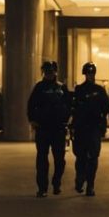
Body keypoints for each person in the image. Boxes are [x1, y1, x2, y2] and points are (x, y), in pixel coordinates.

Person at [27, 60, 71, 197]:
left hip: (58, 128)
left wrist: (67, 120)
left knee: (60, 159)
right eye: (46, 72)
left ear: (55, 72)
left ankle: (56, 182)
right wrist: (33, 120)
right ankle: (42, 188)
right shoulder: (39, 88)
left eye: (51, 71)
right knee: (42, 159)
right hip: (43, 128)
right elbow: (31, 105)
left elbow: (69, 105)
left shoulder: (61, 88)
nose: (49, 74)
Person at [70, 62, 109, 196]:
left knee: (93, 157)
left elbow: (106, 108)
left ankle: (90, 185)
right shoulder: (79, 90)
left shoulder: (100, 90)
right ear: (85, 74)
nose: (90, 76)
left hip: (94, 127)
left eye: (92, 73)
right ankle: (80, 179)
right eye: (88, 73)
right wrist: (71, 126)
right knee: (81, 156)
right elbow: (74, 109)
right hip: (81, 127)